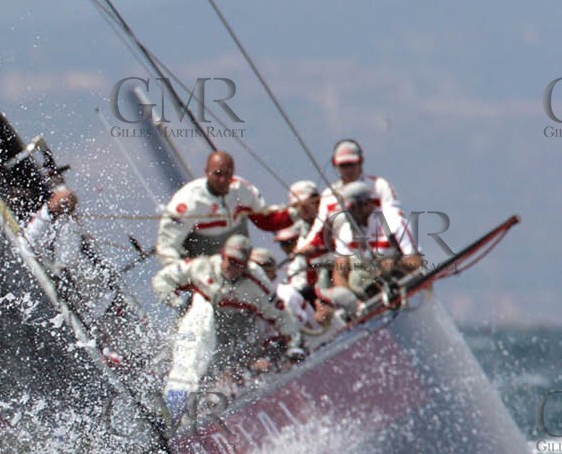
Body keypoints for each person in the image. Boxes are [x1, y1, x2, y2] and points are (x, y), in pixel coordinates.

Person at [153, 233, 303, 375]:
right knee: (174, 350)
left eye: (238, 264)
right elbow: (162, 279)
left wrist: (294, 345)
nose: (231, 267)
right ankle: (155, 375)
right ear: (222, 255)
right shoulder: (202, 267)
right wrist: (175, 301)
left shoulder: (257, 283)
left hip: (230, 331)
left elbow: (281, 314)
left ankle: (211, 387)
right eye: (230, 260)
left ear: (246, 265)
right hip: (196, 320)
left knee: (214, 360)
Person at [295, 139, 421, 271]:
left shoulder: (379, 185)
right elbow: (319, 228)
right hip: (347, 251)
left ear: (361, 162)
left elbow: (395, 218)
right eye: (343, 166)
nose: (348, 170)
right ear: (336, 165)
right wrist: (304, 246)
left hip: (382, 248)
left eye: (352, 164)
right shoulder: (329, 195)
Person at [155, 151, 290, 266]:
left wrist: (295, 214)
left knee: (266, 261)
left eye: (228, 174)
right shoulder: (188, 202)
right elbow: (166, 246)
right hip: (206, 269)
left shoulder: (241, 190)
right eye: (218, 174)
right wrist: (185, 272)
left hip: (240, 263)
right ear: (206, 172)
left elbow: (266, 219)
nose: (223, 180)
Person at [328, 179, 423, 299]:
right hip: (368, 290)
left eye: (351, 210)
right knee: (355, 277)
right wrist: (350, 300)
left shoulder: (393, 221)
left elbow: (417, 262)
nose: (348, 216)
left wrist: (395, 265)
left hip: (402, 285)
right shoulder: (345, 231)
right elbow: (340, 272)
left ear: (365, 204)